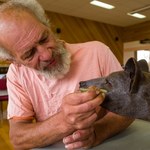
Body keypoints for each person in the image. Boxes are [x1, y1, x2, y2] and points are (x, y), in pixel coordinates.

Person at [0, 0, 134, 149]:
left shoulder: (98, 52)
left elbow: (129, 105)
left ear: (47, 25)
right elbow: (19, 139)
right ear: (14, 61)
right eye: (29, 53)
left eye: (44, 38)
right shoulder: (17, 74)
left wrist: (98, 132)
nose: (47, 55)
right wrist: (65, 121)